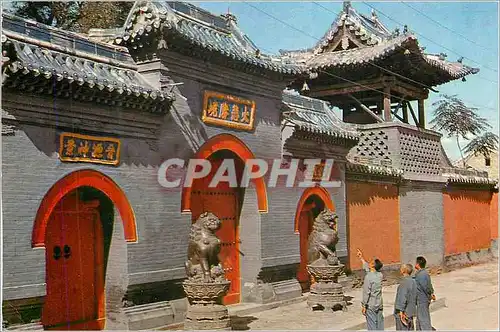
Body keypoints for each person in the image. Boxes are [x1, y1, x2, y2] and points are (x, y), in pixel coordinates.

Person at [357, 248, 384, 330]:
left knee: (372, 326)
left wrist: (364, 305)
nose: (369, 262)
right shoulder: (380, 275)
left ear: (372, 265)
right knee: (380, 325)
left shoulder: (368, 277)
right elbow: (368, 270)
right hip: (379, 304)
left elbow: (366, 293)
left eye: (371, 262)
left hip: (371, 305)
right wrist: (361, 258)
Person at [414, 256, 436, 330]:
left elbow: (426, 287)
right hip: (421, 299)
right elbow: (429, 285)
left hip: (422, 299)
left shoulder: (421, 275)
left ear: (417, 264)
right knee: (420, 317)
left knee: (423, 318)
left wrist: (430, 295)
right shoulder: (423, 273)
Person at [394, 264, 417, 331]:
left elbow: (402, 298)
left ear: (404, 271)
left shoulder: (404, 283)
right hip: (410, 311)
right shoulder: (414, 281)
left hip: (404, 313)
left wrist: (401, 312)